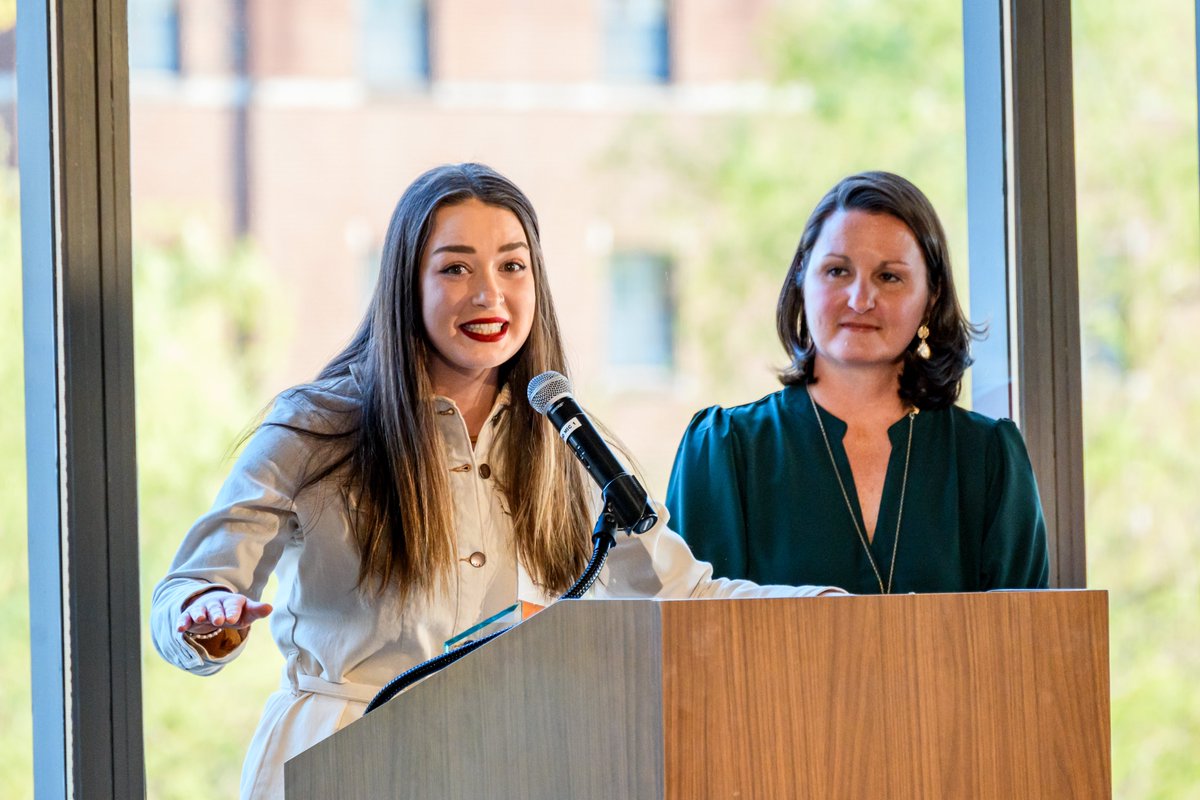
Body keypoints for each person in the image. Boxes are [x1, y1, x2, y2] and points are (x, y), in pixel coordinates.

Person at [150, 163, 842, 800]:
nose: (490, 293)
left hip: (504, 762)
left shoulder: (570, 435)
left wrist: (836, 612)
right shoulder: (317, 425)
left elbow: (680, 591)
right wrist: (204, 618)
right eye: (455, 268)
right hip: (339, 757)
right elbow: (192, 588)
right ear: (406, 284)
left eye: (513, 266)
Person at [666, 171, 1050, 595]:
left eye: (889, 277)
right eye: (837, 271)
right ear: (801, 280)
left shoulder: (988, 459)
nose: (860, 300)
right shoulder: (725, 452)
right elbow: (693, 644)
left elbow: (1025, 648)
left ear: (932, 296)